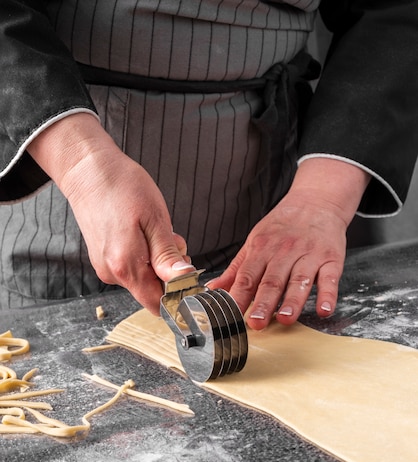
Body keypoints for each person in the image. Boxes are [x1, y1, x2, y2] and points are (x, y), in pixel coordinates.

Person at [0, 1, 417, 331]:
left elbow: (393, 14)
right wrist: (83, 167)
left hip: (270, 199)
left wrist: (322, 198)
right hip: (59, 179)